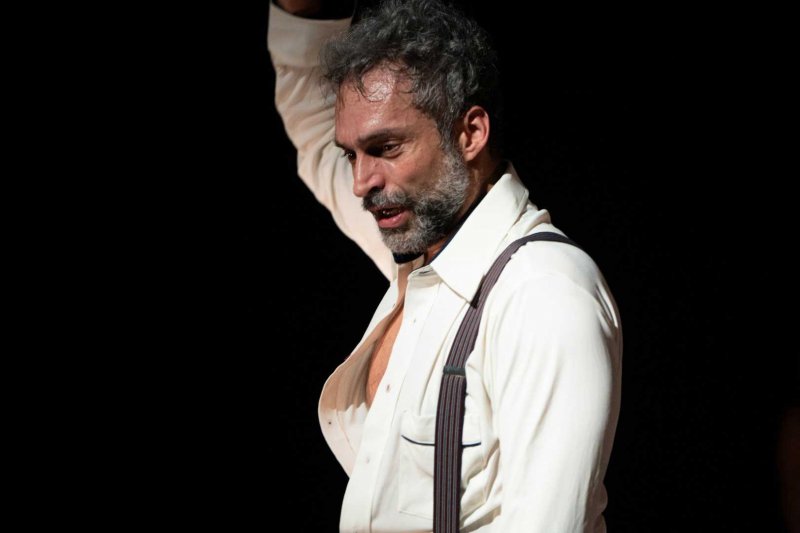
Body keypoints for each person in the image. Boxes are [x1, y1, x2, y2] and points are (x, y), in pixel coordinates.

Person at [268, 0, 623, 530]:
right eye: (352, 155)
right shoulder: (425, 249)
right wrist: (303, 11)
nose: (362, 182)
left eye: (386, 147)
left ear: (470, 133)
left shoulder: (542, 293)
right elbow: (313, 124)